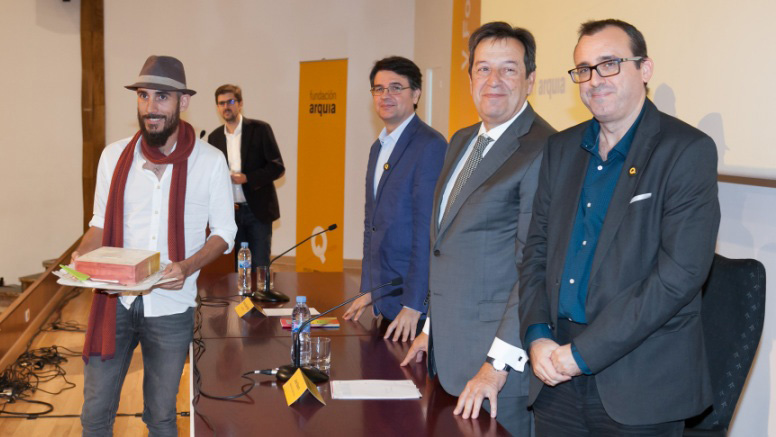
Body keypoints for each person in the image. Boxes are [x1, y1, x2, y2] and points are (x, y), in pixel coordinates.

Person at [519, 19, 720, 436]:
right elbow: (536, 249)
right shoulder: (561, 148)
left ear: (645, 69)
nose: (595, 79)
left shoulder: (686, 151)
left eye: (609, 64)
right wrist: (536, 334)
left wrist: (583, 354)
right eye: (584, 69)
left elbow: (680, 275)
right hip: (554, 372)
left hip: (640, 382)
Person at [401, 22, 555, 435]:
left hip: (496, 370)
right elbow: (446, 245)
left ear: (530, 80)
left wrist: (497, 365)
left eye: (509, 69)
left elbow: (533, 268)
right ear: (470, 78)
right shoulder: (462, 139)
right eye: (483, 68)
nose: (494, 80)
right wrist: (431, 329)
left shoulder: (544, 149)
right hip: (447, 354)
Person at [75, 55, 237, 436]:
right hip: (114, 301)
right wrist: (81, 255)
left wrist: (187, 266)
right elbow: (99, 223)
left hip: (171, 306)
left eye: (162, 97)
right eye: (143, 95)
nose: (150, 107)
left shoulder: (210, 162)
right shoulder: (113, 157)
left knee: (161, 416)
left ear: (183, 101)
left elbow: (224, 233)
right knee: (94, 414)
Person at [341, 56, 446, 342]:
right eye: (379, 89)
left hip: (411, 306)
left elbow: (428, 232)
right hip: (384, 296)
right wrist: (369, 288)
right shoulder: (378, 147)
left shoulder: (430, 145)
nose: (385, 95)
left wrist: (415, 304)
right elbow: (371, 224)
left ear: (416, 94)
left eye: (396, 87)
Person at [208, 84, 285, 268]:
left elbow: (277, 167)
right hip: (229, 213)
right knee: (233, 267)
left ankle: (259, 289)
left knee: (259, 264)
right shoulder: (214, 137)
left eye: (230, 102)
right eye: (221, 103)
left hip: (256, 210)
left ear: (240, 103)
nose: (226, 107)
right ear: (217, 107)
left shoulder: (260, 129)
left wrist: (247, 178)